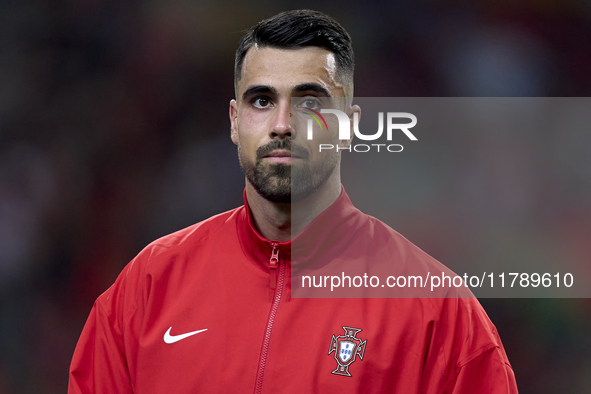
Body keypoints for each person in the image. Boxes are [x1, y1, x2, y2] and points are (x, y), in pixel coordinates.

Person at [68, 9, 518, 393]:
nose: (282, 124)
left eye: (309, 103)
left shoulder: (436, 311)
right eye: (262, 100)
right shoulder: (146, 289)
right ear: (234, 120)